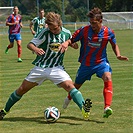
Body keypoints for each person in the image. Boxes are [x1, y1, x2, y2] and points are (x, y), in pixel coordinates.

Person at [0, 12, 92, 121]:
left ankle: (84, 109)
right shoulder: (44, 33)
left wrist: (70, 44)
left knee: (70, 86)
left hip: (56, 68)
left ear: (60, 24)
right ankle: (4, 111)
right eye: (51, 29)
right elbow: (30, 44)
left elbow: (75, 46)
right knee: (22, 89)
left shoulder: (66, 33)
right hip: (40, 67)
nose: (53, 31)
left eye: (55, 29)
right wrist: (36, 49)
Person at [61, 7, 129, 118]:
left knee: (107, 77)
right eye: (91, 22)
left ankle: (107, 107)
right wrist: (66, 43)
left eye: (94, 23)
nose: (92, 25)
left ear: (100, 21)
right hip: (86, 65)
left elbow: (114, 44)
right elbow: (71, 39)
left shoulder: (108, 32)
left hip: (101, 63)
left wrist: (118, 55)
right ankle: (68, 98)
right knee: (76, 86)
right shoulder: (84, 30)